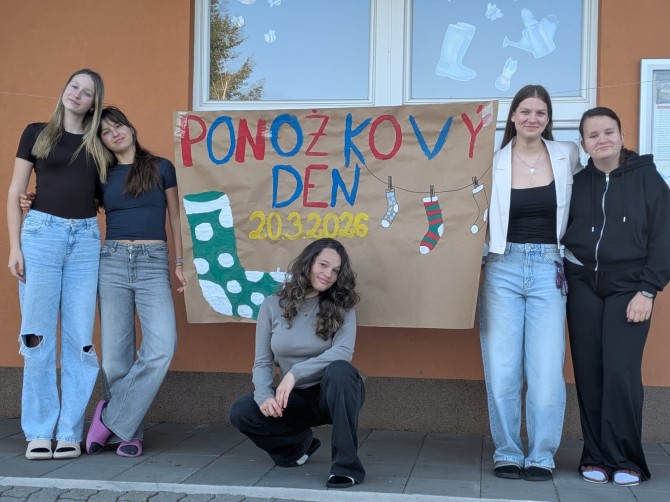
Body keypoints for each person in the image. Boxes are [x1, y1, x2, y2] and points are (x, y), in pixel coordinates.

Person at [561, 107, 670, 487]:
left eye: (608, 132)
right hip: (583, 286)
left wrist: (648, 290)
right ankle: (594, 456)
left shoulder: (647, 178)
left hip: (630, 287)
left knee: (621, 373)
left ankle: (626, 459)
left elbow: (664, 237)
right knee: (589, 372)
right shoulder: (577, 182)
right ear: (583, 143)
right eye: (593, 135)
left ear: (622, 136)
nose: (602, 140)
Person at [479, 84, 581, 481]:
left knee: (546, 370)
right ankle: (507, 450)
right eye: (525, 111)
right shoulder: (493, 162)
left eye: (540, 112)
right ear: (512, 116)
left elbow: (601, 177)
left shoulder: (567, 154)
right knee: (503, 369)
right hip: (501, 267)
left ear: (549, 118)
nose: (532, 118)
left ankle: (541, 454)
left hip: (549, 268)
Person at [7, 68, 110, 460]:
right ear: (64, 89)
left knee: (80, 339)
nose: (77, 94)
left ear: (94, 103)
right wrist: (14, 247)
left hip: (84, 240)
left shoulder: (98, 143)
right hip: (40, 236)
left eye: (87, 92)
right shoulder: (36, 132)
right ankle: (38, 430)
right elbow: (15, 192)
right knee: (36, 336)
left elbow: (103, 193)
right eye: (74, 86)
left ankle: (69, 430)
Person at [74, 106, 184, 457]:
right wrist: (32, 201)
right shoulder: (101, 175)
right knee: (114, 360)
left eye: (117, 125)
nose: (114, 133)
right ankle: (129, 434)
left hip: (153, 262)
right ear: (102, 142)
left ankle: (108, 418)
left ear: (130, 127)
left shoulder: (161, 167)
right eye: (105, 132)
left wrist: (180, 262)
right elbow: (73, 209)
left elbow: (176, 218)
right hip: (112, 263)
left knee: (162, 346)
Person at [228, 238, 365, 489]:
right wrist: (263, 395)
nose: (328, 274)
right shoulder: (272, 305)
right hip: (294, 399)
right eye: (323, 265)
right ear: (308, 263)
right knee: (241, 412)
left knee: (341, 371)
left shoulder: (343, 306)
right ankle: (296, 445)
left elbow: (343, 352)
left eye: (335, 270)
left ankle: (346, 468)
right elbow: (262, 361)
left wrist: (294, 374)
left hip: (333, 394)